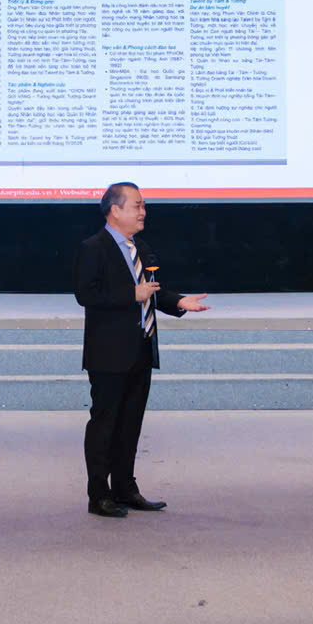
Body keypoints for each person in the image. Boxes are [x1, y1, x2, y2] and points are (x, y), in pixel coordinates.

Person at [74, 182, 209, 518]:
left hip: (141, 349)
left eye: (143, 205)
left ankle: (125, 488)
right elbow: (86, 294)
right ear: (114, 210)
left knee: (130, 424)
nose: (143, 212)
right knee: (105, 424)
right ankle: (99, 495)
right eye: (136, 205)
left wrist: (179, 301)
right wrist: (130, 295)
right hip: (109, 354)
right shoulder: (94, 248)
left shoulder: (140, 247)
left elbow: (152, 291)